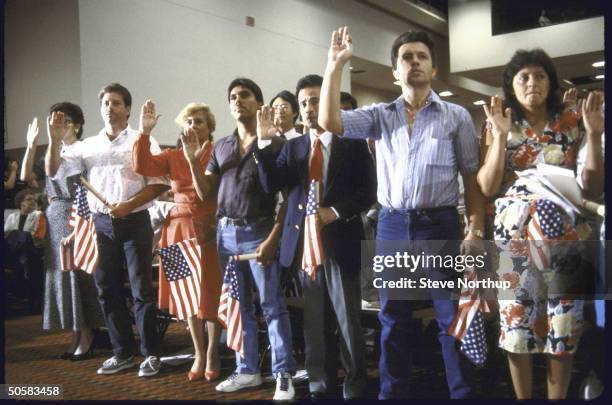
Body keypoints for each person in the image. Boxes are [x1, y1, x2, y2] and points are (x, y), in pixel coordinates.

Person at [319, 27, 485, 399]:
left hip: (440, 224)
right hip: (392, 224)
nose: (414, 62)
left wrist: (474, 228)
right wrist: (334, 67)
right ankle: (392, 396)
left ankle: (462, 395)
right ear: (395, 71)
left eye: (421, 56)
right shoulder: (381, 115)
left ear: (433, 68)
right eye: (406, 57)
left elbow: (472, 180)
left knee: (450, 319)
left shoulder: (456, 116)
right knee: (393, 320)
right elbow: (330, 122)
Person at [477, 49, 604, 399]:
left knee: (563, 324)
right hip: (514, 240)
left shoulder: (572, 119)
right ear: (511, 86)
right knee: (517, 322)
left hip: (565, 236)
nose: (532, 83)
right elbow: (487, 187)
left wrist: (593, 135)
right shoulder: (499, 120)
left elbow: (593, 187)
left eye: (540, 76)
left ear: (550, 82)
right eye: (523, 77)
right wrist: (500, 137)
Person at [255, 74, 376, 399]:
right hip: (304, 247)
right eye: (304, 102)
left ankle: (355, 386)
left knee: (349, 321)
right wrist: (264, 145)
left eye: (315, 101)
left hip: (341, 241)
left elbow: (368, 192)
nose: (309, 109)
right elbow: (271, 184)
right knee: (314, 324)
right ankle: (321, 386)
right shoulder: (292, 147)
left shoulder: (351, 143)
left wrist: (334, 212)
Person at [48, 83, 169, 377]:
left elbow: (158, 184)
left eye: (116, 103)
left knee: (141, 290)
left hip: (135, 221)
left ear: (127, 109)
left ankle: (151, 354)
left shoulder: (143, 140)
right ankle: (122, 353)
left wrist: (129, 205)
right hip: (101, 224)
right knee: (107, 290)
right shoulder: (87, 145)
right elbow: (52, 170)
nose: (109, 108)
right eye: (105, 103)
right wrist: (53, 140)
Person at [200, 78, 296, 400]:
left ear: (259, 103)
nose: (237, 100)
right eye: (232, 97)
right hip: (225, 233)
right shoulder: (221, 146)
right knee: (237, 307)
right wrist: (188, 159)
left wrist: (272, 239)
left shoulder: (274, 143)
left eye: (244, 95)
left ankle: (283, 374)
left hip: (259, 230)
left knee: (271, 305)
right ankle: (248, 370)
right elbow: (205, 192)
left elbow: (288, 199)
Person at [132, 101, 222, 382]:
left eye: (199, 122)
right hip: (176, 230)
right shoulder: (172, 154)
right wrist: (144, 133)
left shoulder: (217, 153)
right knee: (187, 296)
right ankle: (198, 351)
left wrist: (194, 159)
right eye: (189, 122)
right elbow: (141, 165)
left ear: (210, 129)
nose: (193, 126)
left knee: (210, 293)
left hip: (207, 228)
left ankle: (213, 353)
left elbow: (207, 195)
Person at [20, 103, 105, 360]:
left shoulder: (82, 148)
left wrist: (80, 222)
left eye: (66, 121)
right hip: (55, 214)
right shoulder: (54, 149)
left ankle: (87, 334)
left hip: (74, 212)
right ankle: (76, 334)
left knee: (77, 274)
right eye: (56, 121)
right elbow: (26, 176)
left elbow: (60, 175)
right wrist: (32, 143)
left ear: (77, 125)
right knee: (61, 275)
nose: (60, 125)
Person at [4, 188, 47, 313]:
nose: (32, 202)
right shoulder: (12, 216)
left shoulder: (39, 215)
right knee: (21, 235)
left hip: (32, 250)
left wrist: (25, 236)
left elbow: (38, 236)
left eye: (34, 200)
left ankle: (29, 298)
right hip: (13, 250)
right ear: (21, 202)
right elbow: (7, 235)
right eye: (29, 199)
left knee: (25, 239)